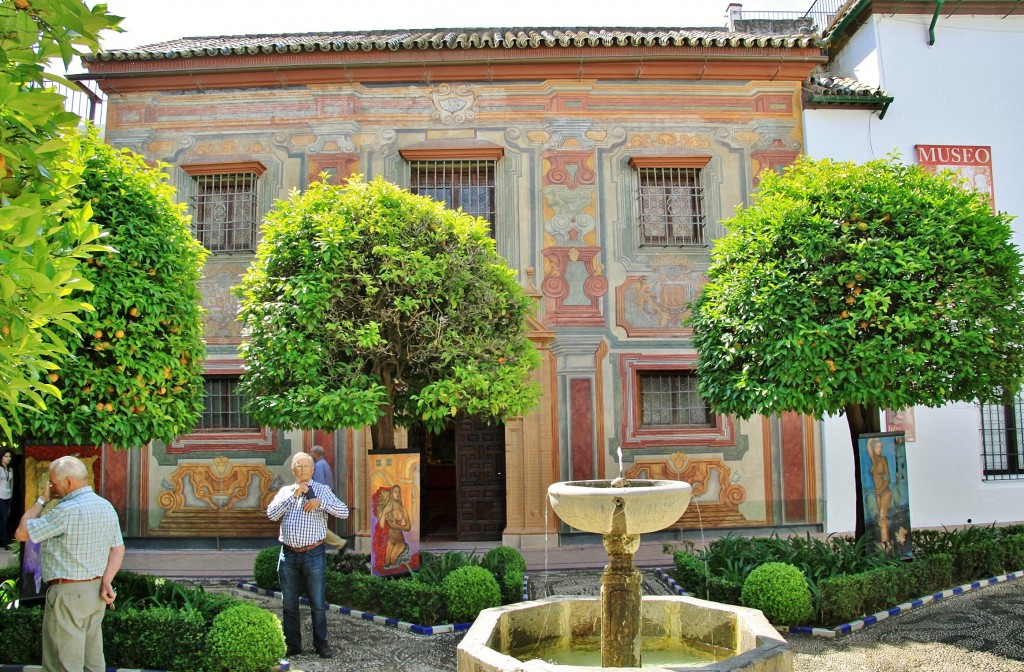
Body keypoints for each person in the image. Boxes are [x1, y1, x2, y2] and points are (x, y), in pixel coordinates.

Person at [15, 455, 124, 672]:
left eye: (53, 483)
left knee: (63, 663)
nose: (52, 488)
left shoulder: (66, 510)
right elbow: (118, 549)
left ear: (68, 482)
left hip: (67, 594)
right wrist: (107, 581)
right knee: (92, 662)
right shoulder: (105, 506)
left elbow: (22, 533)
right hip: (95, 592)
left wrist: (41, 500)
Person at [267, 452, 349, 659]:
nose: (303, 470)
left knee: (317, 603)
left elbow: (344, 511)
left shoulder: (322, 490)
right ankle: (293, 644)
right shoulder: (286, 491)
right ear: (293, 470)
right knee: (289, 604)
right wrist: (293, 496)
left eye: (307, 467)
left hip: (314, 555)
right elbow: (272, 514)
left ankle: (321, 643)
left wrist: (320, 503)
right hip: (288, 556)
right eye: (299, 467)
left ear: (313, 469)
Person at [309, 445, 346, 551]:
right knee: (317, 524)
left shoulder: (319, 466)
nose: (310, 454)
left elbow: (318, 485)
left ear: (316, 454)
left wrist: (315, 501)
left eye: (311, 452)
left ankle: (340, 543)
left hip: (319, 500)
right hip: (324, 500)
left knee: (317, 524)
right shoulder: (324, 464)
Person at [867, 437, 893, 550]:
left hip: (885, 491)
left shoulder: (884, 459)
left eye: (880, 447)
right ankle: (886, 543)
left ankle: (885, 544)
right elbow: (868, 446)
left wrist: (881, 490)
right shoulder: (874, 461)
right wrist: (870, 440)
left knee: (883, 515)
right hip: (878, 493)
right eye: (877, 447)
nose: (879, 449)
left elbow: (888, 479)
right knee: (881, 519)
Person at [378, 484, 412, 568]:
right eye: (395, 492)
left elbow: (408, 527)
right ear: (391, 494)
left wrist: (395, 526)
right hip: (390, 540)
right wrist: (384, 512)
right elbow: (381, 526)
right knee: (387, 562)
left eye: (399, 492)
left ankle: (399, 579)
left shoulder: (403, 509)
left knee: (393, 560)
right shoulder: (388, 508)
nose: (397, 494)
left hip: (399, 540)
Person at [0, 449, 13, 550]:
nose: (8, 458)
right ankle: (5, 542)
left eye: (9, 456)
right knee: (3, 519)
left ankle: (5, 540)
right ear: (1, 458)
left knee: (6, 519)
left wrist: (11, 496)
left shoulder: (10, 469)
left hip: (8, 496)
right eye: (6, 456)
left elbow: (12, 484)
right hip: (0, 496)